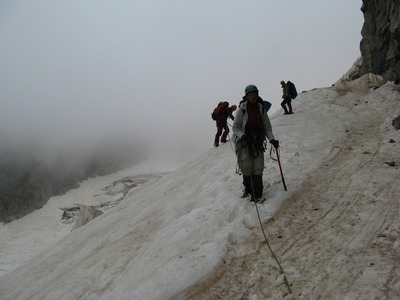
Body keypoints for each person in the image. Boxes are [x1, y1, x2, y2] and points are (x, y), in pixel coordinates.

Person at [232, 84, 279, 202]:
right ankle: (248, 190)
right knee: (246, 167)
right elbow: (235, 127)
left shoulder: (261, 109)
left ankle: (257, 194)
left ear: (257, 95)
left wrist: (272, 139)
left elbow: (267, 127)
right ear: (246, 96)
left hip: (257, 140)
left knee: (258, 167)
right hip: (243, 141)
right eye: (250, 95)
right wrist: (243, 136)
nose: (252, 97)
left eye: (254, 94)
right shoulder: (242, 109)